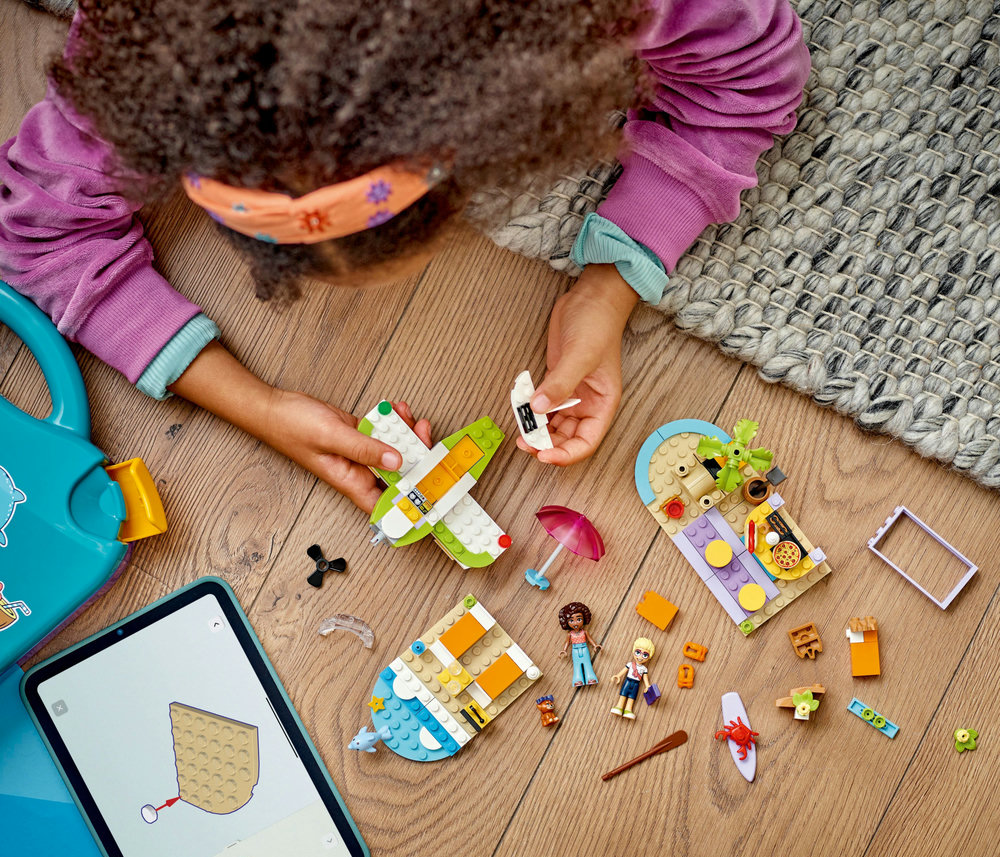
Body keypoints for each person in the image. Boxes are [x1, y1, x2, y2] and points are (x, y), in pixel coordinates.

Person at [0, 1, 810, 511]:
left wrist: (613, 279)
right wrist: (256, 406)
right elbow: (39, 229)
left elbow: (752, 77)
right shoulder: (148, 38)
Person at [557, 602, 601, 687]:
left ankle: (590, 677)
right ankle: (578, 679)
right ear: (566, 622)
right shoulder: (570, 634)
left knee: (587, 663)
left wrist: (595, 645)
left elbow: (590, 639)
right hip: (575, 650)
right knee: (577, 665)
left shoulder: (585, 632)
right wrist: (564, 650)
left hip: (584, 649)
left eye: (579, 619)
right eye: (571, 620)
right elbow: (567, 642)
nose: (575, 623)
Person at [610, 637, 655, 719]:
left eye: (645, 655)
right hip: (628, 681)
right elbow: (624, 670)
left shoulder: (644, 669)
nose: (640, 657)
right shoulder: (630, 664)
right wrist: (618, 676)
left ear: (649, 657)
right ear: (633, 651)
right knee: (623, 694)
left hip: (636, 684)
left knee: (632, 697)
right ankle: (619, 707)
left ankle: (628, 710)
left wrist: (647, 686)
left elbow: (645, 678)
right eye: (638, 652)